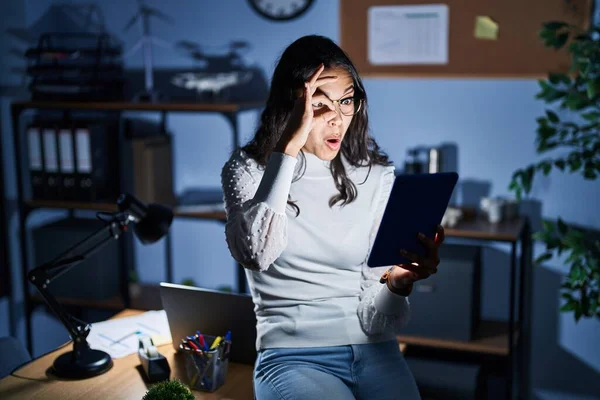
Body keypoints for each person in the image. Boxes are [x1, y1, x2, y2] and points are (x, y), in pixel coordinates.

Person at [221, 35, 444, 400]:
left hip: (375, 348)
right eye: (320, 105)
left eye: (346, 101)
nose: (337, 119)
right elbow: (257, 253)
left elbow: (375, 317)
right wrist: (288, 148)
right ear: (292, 106)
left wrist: (399, 281)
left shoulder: (374, 175)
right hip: (292, 358)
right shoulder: (247, 170)